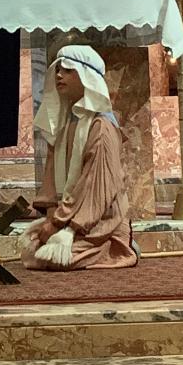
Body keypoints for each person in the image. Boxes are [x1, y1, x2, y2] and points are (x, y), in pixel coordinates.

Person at [21, 45, 138, 271]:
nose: (59, 75)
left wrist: (61, 223)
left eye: (67, 70)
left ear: (87, 77)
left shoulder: (101, 127)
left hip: (96, 222)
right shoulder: (64, 123)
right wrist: (51, 215)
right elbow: (51, 176)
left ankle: (116, 246)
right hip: (67, 216)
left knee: (50, 259)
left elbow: (94, 188)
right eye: (57, 70)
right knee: (33, 251)